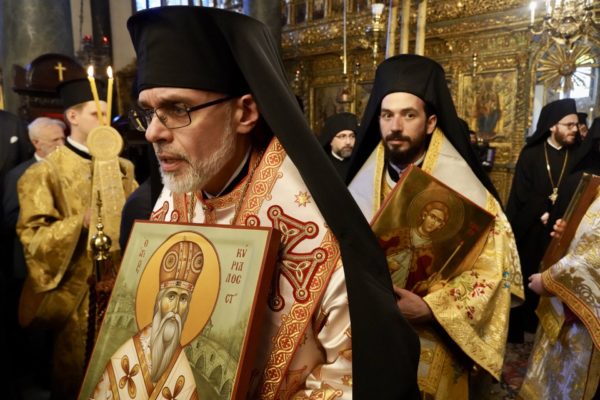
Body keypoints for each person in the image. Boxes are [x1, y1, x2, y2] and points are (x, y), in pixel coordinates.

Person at [125, 6, 419, 399]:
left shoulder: (318, 232)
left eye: (177, 109)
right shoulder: (170, 204)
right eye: (148, 112)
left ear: (245, 112)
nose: (153, 133)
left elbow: (353, 381)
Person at [347, 54, 523, 399]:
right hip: (367, 333)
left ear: (429, 123)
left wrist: (432, 309)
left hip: (437, 336)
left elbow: (494, 271)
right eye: (387, 115)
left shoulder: (469, 191)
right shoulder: (355, 188)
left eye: (408, 115)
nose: (396, 126)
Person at [16, 79, 137, 399]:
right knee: (78, 377)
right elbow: (32, 236)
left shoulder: (124, 168)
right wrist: (78, 223)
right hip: (77, 295)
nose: (105, 121)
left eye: (108, 114)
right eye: (96, 114)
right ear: (72, 117)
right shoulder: (46, 171)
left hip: (123, 290)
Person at [506, 98, 580, 342]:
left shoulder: (576, 156)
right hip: (532, 229)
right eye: (569, 125)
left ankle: (545, 330)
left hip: (560, 230)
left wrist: (558, 215)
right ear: (552, 126)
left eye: (575, 125)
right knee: (527, 273)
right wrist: (541, 212)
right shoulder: (531, 154)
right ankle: (521, 327)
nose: (574, 129)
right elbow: (521, 193)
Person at [93, 238, 205, 398]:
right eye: (171, 296)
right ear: (158, 302)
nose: (175, 308)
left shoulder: (183, 371)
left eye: (183, 299)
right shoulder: (124, 357)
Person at [2, 116, 65, 398]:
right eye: (55, 141)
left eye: (63, 139)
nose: (61, 145)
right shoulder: (19, 175)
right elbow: (11, 219)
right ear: (37, 143)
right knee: (36, 328)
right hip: (31, 263)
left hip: (63, 260)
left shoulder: (70, 168)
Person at [519, 196, 600, 399]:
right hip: (569, 305)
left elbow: (595, 257)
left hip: (586, 322)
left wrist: (550, 280)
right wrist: (571, 234)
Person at [318, 112, 358, 182]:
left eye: (352, 136)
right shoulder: (321, 166)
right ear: (331, 141)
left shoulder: (361, 165)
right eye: (342, 136)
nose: (348, 142)